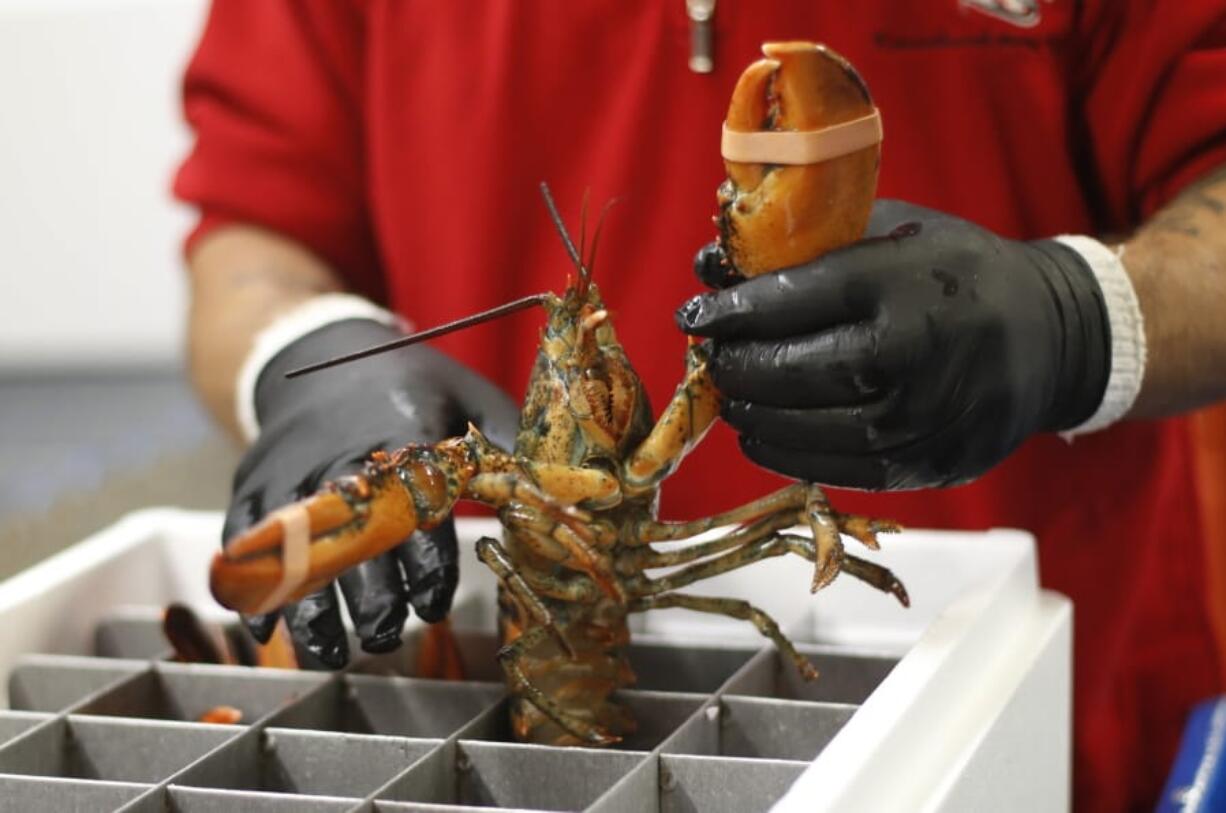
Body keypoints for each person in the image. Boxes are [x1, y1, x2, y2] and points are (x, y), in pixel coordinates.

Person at [173, 2, 1226, 809]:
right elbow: (251, 236)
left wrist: (1072, 316)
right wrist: (309, 348)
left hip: (1030, 696)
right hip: (493, 700)